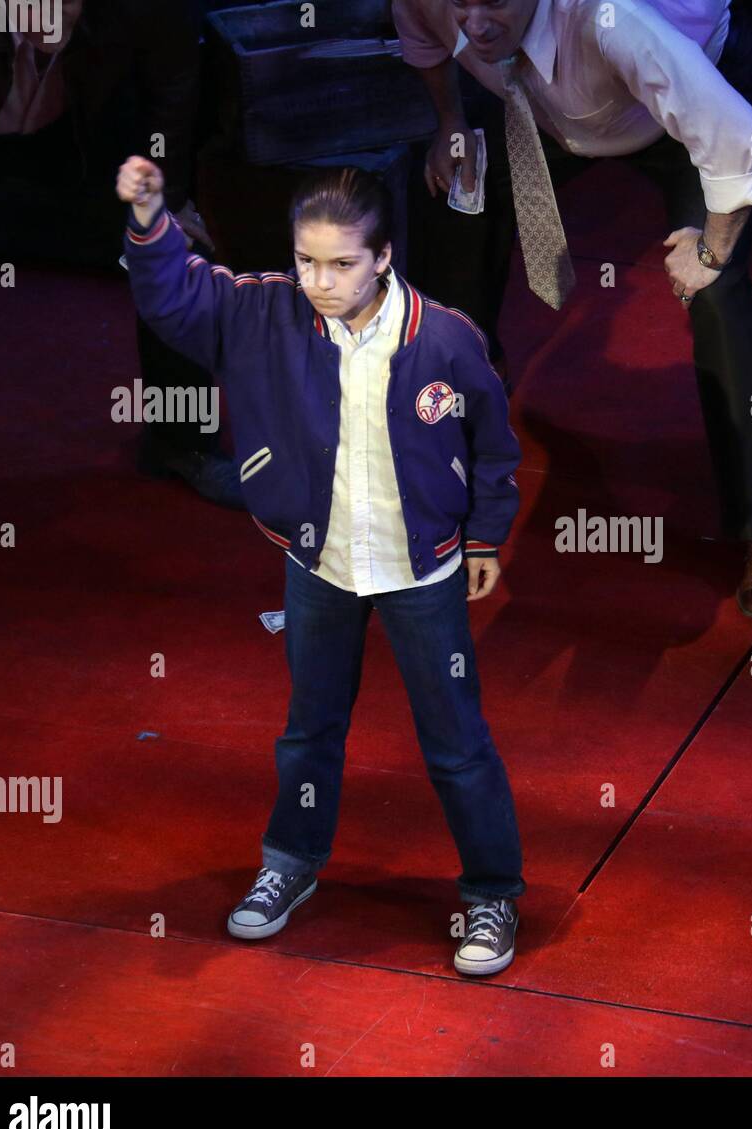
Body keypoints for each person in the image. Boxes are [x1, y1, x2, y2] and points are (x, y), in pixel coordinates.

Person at [116, 155, 526, 975]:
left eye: (341, 263)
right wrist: (150, 222)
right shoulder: (263, 313)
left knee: (456, 743)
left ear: (383, 257)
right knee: (309, 733)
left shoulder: (445, 337)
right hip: (318, 566)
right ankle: (290, 865)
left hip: (422, 571)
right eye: (307, 259)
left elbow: (492, 445)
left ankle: (492, 894)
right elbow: (172, 300)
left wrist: (483, 537)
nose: (320, 280)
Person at [392, 0, 752, 618]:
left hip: (694, 102)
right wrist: (450, 119)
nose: (473, 26)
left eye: (495, 3)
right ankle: (466, 397)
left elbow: (733, 139)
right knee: (457, 194)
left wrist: (710, 253)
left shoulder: (616, 22)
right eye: (461, 6)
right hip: (556, 113)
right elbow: (422, 35)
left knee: (715, 295)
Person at [0, 0, 242, 508]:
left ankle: (181, 443)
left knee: (173, 242)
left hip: (83, 130)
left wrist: (167, 203)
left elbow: (169, 98)